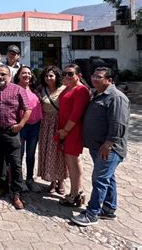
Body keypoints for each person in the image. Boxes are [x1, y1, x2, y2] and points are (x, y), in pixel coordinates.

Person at [71, 67, 130, 226]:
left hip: (108, 148)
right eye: (94, 75)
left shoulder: (116, 97)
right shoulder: (98, 94)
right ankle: (109, 210)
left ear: (109, 80)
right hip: (97, 146)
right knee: (108, 178)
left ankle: (92, 213)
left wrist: (109, 143)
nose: (95, 79)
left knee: (99, 179)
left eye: (99, 77)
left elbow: (118, 124)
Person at [0, 65, 31, 210]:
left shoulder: (17, 89)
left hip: (11, 131)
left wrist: (21, 125)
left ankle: (16, 193)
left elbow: (28, 109)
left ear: (9, 76)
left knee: (15, 164)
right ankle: (2, 187)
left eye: (3, 74)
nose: (0, 77)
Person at [57, 64, 90, 207]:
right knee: (71, 161)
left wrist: (65, 130)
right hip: (65, 129)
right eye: (65, 74)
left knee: (74, 161)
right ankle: (78, 192)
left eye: (70, 74)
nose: (67, 76)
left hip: (72, 130)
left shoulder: (81, 90)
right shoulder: (69, 87)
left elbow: (77, 113)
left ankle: (75, 194)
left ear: (79, 75)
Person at [37, 66, 68, 195]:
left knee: (59, 153)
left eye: (51, 75)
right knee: (47, 152)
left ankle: (61, 180)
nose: (48, 78)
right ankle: (52, 181)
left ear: (57, 77)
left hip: (58, 124)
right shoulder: (41, 90)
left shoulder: (64, 89)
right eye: (46, 76)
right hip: (45, 125)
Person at [14, 66, 42, 192]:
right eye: (24, 73)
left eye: (29, 73)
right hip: (21, 126)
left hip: (34, 126)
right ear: (18, 75)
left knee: (31, 155)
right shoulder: (14, 89)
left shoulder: (35, 90)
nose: (27, 75)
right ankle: (19, 181)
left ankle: (30, 179)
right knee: (19, 154)